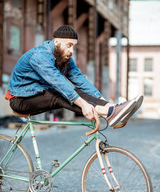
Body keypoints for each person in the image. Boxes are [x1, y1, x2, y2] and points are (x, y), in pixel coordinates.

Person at [5, 25, 143, 127]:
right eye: (69, 45)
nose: (71, 51)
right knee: (60, 93)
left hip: (37, 95)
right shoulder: (39, 56)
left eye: (74, 46)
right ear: (57, 42)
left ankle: (111, 110)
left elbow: (80, 80)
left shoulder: (64, 58)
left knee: (77, 91)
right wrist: (83, 105)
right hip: (20, 100)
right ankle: (107, 112)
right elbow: (58, 82)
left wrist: (105, 101)